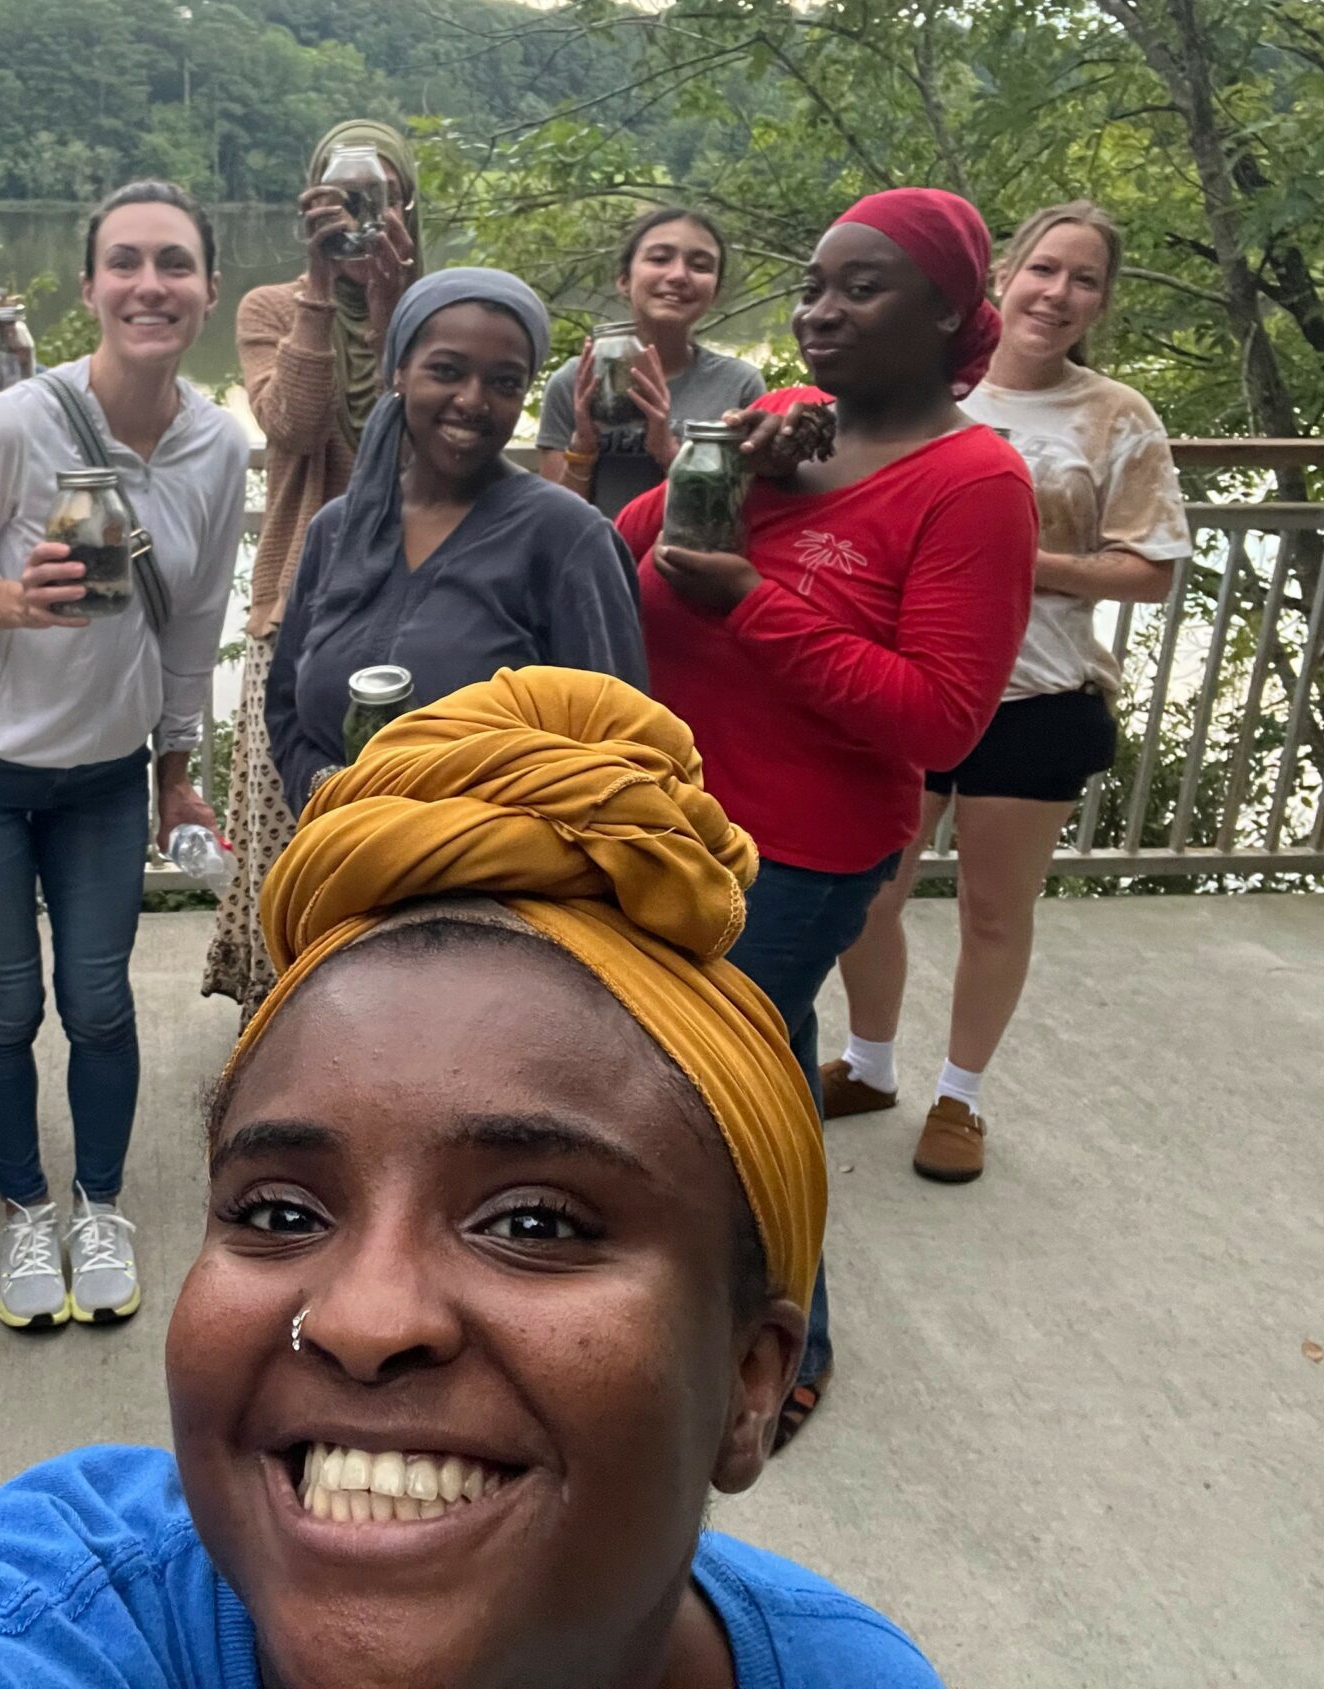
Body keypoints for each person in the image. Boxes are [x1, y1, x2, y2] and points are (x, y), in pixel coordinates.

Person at [0, 670, 944, 1689]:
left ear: (750, 1381)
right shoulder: (31, 1628)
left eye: (535, 1220)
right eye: (281, 1210)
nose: (358, 1316)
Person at [614, 187, 1037, 1447]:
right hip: (677, 814)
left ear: (950, 312)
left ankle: (772, 1338)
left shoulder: (975, 485)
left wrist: (754, 602)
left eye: (862, 287)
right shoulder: (789, 428)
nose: (819, 309)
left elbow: (943, 717)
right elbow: (628, 550)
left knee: (701, 1091)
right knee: (765, 1077)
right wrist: (724, 469)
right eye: (812, 283)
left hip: (799, 852)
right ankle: (756, 1315)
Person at [0, 179, 248, 1333]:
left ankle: (100, 1204)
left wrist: (178, 766)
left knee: (98, 999)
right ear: (92, 285)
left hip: (105, 772)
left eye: (175, 263)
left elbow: (195, 623)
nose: (150, 285)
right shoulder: (13, 421)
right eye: (125, 263)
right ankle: (23, 1209)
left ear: (207, 286)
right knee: (5, 1001)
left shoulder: (216, 445)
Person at [830, 202, 1187, 1184]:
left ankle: (961, 1096)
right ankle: (867, 1062)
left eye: (1084, 280)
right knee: (870, 891)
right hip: (910, 687)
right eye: (1044, 270)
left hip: (1035, 701)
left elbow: (1152, 568)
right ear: (1003, 278)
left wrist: (1020, 562)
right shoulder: (931, 392)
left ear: (1102, 302)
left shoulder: (1116, 416)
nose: (1059, 294)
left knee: (995, 909)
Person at [266, 268, 647, 812]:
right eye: (446, 371)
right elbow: (285, 711)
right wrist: (335, 797)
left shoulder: (568, 538)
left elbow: (622, 748)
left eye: (505, 382)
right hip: (343, 864)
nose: (473, 400)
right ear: (399, 372)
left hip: (502, 882)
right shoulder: (337, 529)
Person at [204, 119, 420, 1014]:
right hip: (297, 603)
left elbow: (396, 440)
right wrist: (324, 289)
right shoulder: (270, 307)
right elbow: (293, 426)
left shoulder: (432, 309)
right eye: (342, 193)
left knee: (389, 839)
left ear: (406, 203)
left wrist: (396, 302)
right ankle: (279, 1018)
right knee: (285, 835)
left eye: (379, 193)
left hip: (414, 607)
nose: (361, 209)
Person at [538, 206, 767, 518]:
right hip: (595, 563)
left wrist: (668, 450)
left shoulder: (739, 385)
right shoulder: (577, 381)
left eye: (700, 266)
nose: (678, 276)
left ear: (714, 293)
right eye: (659, 259)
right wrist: (583, 446)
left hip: (685, 563)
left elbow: (732, 514)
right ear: (623, 280)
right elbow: (554, 521)